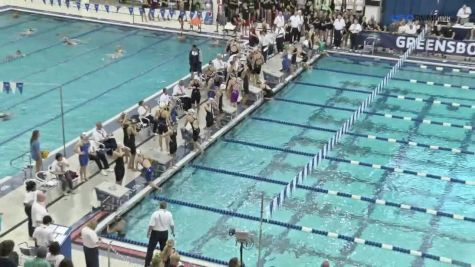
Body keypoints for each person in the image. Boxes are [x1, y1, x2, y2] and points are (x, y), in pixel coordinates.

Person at [145, 201, 175, 267]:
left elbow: (151, 225)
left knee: (150, 249)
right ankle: (165, 265)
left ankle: (147, 265)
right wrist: (173, 231)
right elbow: (172, 225)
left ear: (159, 206)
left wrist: (148, 233)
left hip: (155, 233)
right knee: (164, 250)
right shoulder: (169, 214)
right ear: (166, 206)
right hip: (165, 233)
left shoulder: (155, 213)